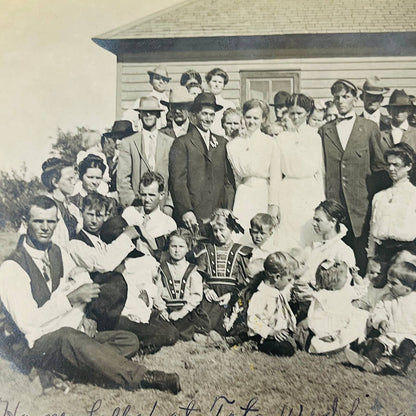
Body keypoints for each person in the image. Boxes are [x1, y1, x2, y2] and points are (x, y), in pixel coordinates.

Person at [0, 195, 181, 394]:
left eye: (51, 221)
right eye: (38, 221)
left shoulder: (57, 252)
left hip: (67, 327)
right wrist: (69, 300)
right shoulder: (12, 267)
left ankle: (69, 368)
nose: (45, 227)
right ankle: (145, 377)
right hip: (35, 344)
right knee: (68, 337)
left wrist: (84, 315)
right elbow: (28, 322)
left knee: (128, 340)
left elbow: (82, 280)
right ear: (25, 223)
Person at [319, 79, 384, 275]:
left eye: (346, 97)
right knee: (335, 256)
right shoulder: (325, 130)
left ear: (355, 99)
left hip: (360, 207)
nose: (341, 101)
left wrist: (374, 200)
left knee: (361, 256)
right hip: (335, 206)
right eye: (337, 97)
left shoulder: (369, 128)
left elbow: (379, 166)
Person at [169, 92, 235, 229]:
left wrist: (227, 208)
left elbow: (228, 181)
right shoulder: (182, 143)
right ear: (195, 115)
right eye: (204, 114)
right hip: (193, 215)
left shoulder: (222, 143)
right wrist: (186, 210)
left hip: (218, 214)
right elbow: (178, 181)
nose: (208, 119)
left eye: (212, 115)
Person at [346, 261, 416, 375]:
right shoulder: (386, 298)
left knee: (408, 346)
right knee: (377, 344)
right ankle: (368, 360)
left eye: (394, 283)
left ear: (407, 289)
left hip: (409, 337)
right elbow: (378, 311)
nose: (389, 285)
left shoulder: (414, 300)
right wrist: (380, 321)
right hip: (388, 336)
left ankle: (398, 364)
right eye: (388, 281)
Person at [275, 93, 325, 250]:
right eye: (292, 113)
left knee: (309, 230)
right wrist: (274, 203)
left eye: (299, 113)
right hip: (288, 189)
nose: (295, 117)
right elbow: (276, 172)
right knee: (289, 232)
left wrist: (322, 198)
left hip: (309, 189)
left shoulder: (315, 136)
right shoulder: (282, 137)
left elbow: (320, 170)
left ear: (308, 113)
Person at [227, 99, 280, 238]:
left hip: (263, 193)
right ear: (243, 117)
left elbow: (275, 176)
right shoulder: (234, 145)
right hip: (243, 194)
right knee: (242, 233)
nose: (251, 121)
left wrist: (273, 204)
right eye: (248, 117)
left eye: (256, 118)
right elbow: (235, 177)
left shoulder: (270, 143)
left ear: (263, 119)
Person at [194, 209, 252, 334]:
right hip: (211, 293)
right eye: (215, 230)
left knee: (233, 318)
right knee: (205, 319)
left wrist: (232, 295)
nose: (218, 234)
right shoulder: (206, 250)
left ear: (231, 229)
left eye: (222, 230)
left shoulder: (240, 252)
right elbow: (198, 275)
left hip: (231, 294)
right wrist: (206, 289)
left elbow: (244, 282)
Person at [117, 96, 174, 210]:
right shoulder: (129, 143)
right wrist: (132, 205)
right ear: (140, 115)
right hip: (137, 206)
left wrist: (169, 205)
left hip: (163, 208)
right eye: (145, 112)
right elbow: (122, 179)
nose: (148, 115)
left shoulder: (170, 143)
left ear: (158, 115)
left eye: (152, 112)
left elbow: (175, 179)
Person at [305, 259, 367, 354]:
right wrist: (322, 334)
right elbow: (314, 317)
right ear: (334, 280)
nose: (347, 278)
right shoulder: (322, 296)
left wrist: (356, 277)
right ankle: (338, 347)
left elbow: (361, 291)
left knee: (360, 319)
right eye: (345, 276)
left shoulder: (346, 291)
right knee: (319, 343)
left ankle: (354, 344)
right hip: (328, 329)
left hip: (344, 325)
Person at [157, 228, 209, 340]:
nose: (177, 250)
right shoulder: (162, 269)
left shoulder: (192, 270)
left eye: (181, 247)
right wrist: (162, 309)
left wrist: (182, 312)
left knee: (187, 326)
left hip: (186, 311)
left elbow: (196, 296)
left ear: (188, 248)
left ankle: (195, 334)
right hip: (167, 309)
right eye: (173, 246)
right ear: (168, 247)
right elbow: (157, 292)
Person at [368, 143, 416, 261]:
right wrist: (371, 258)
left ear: (408, 166)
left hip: (407, 256)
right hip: (381, 256)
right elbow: (372, 234)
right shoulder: (380, 196)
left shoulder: (413, 195)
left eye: (396, 165)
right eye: (388, 164)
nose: (390, 169)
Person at [246, 252, 297, 356]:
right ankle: (254, 345)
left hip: (278, 332)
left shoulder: (277, 293)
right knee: (285, 349)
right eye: (288, 280)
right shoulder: (260, 296)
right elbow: (253, 320)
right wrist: (271, 332)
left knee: (294, 343)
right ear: (277, 277)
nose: (290, 284)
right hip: (263, 336)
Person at [122, 171, 177, 256]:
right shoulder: (129, 213)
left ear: (161, 195)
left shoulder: (168, 224)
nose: (147, 199)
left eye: (151, 195)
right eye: (143, 195)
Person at [40, 157, 82, 251]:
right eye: (69, 179)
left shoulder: (73, 208)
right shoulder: (43, 208)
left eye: (74, 178)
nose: (74, 182)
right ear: (55, 182)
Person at [102, 120, 136, 197]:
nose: (117, 142)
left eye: (121, 138)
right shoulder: (110, 160)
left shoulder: (134, 160)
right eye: (115, 139)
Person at [380, 89, 416, 153]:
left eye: (403, 109)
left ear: (409, 111)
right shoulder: (381, 134)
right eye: (395, 108)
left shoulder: (414, 134)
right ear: (389, 111)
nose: (399, 112)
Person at [205, 68, 236, 136]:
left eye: (220, 82)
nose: (217, 85)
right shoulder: (202, 103)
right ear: (208, 83)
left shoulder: (229, 105)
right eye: (214, 81)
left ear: (223, 85)